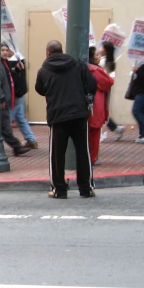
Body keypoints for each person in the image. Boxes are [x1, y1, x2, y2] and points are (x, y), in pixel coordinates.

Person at [35, 40, 97, 199]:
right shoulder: (78, 65)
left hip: (58, 116)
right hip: (78, 115)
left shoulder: (43, 70)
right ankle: (86, 188)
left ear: (48, 53)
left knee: (57, 155)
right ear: (62, 50)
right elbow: (92, 84)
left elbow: (40, 89)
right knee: (83, 152)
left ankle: (59, 189)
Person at [0, 44, 31, 158]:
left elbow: (8, 78)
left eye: (6, 50)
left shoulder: (5, 64)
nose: (4, 52)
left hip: (1, 101)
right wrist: (1, 98)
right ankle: (17, 147)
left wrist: (17, 69)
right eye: (2, 50)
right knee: (4, 127)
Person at [87, 46, 114, 166]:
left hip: (85, 104)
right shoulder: (96, 71)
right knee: (94, 131)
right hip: (96, 103)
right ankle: (92, 157)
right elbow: (108, 82)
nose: (99, 57)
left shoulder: (84, 68)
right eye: (96, 55)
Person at [7, 48, 38, 149]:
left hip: (15, 95)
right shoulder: (19, 59)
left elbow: (13, 79)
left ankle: (15, 144)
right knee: (20, 118)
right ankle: (31, 140)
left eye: (6, 50)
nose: (5, 52)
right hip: (20, 93)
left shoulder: (12, 62)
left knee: (7, 121)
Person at [98, 42, 125, 141]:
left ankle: (101, 133)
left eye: (101, 47)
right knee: (103, 111)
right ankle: (116, 128)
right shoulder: (109, 61)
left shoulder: (103, 62)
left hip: (101, 89)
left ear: (105, 50)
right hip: (105, 89)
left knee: (100, 111)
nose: (99, 49)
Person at [129, 58, 144, 143]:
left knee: (136, 111)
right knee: (141, 111)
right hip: (138, 90)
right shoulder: (138, 61)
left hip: (143, 90)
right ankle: (143, 133)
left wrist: (137, 70)